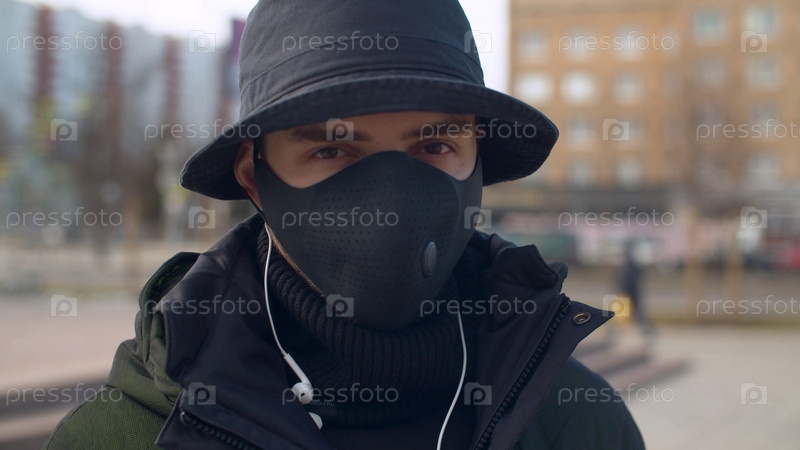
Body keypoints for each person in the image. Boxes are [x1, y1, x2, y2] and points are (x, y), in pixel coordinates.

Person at [46, 0, 645, 448]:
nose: (391, 199)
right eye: (332, 150)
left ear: (478, 164)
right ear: (254, 177)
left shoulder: (576, 422)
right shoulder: (129, 435)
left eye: (434, 146)